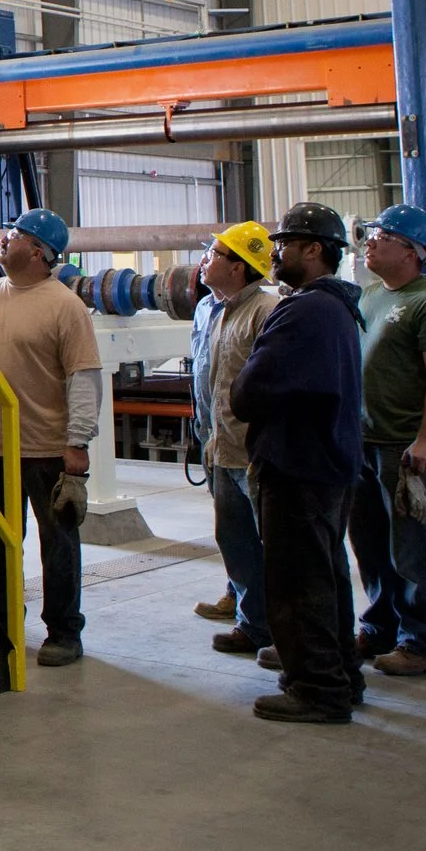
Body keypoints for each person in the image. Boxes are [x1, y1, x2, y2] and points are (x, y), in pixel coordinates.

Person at [0, 208, 100, 669]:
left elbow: (84, 378)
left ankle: (65, 631)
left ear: (37, 250)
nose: (2, 242)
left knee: (58, 544)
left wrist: (78, 444)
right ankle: (3, 619)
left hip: (47, 449)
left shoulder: (65, 306)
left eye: (12, 235)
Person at [230, 201, 367, 725]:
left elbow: (251, 391)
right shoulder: (338, 308)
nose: (276, 253)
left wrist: (247, 386)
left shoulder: (305, 310)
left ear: (314, 251)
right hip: (325, 464)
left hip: (297, 466)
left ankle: (316, 688)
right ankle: (340, 676)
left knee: (297, 582)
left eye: (285, 244)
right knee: (325, 576)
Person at [350, 203, 426, 678]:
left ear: (413, 252)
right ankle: (380, 628)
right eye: (371, 234)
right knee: (371, 546)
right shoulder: (372, 296)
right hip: (365, 443)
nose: (370, 242)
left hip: (407, 447)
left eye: (383, 236)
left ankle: (423, 643)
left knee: (413, 548)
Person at [187, 221, 278, 656]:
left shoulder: (265, 311)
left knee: (275, 547)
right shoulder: (213, 309)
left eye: (216, 254)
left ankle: (285, 630)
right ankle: (253, 623)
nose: (206, 260)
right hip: (220, 448)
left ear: (240, 268)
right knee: (235, 541)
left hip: (255, 452)